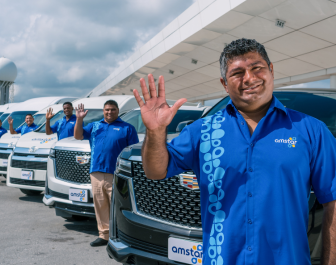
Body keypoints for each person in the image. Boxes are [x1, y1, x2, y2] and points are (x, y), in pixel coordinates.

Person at [133, 38, 336, 265]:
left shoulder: (311, 131)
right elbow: (154, 171)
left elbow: (333, 203)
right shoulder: (202, 132)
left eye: (257, 68)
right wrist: (156, 131)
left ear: (271, 70)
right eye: (237, 73)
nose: (249, 78)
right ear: (224, 83)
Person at [74, 100, 139, 247]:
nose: (110, 112)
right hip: (96, 171)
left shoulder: (127, 128)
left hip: (116, 173)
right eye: (107, 110)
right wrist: (79, 119)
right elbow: (78, 135)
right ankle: (104, 235)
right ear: (103, 111)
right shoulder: (95, 126)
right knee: (100, 205)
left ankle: (122, 236)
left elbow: (132, 151)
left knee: (118, 206)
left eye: (113, 110)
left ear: (117, 111)